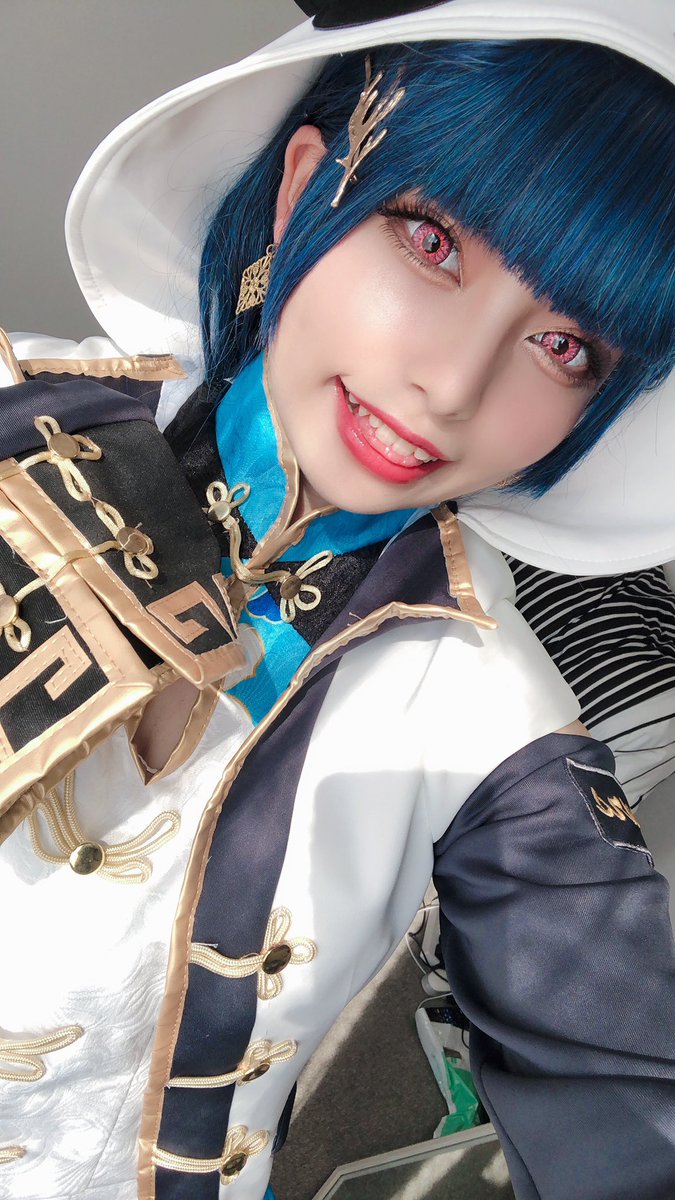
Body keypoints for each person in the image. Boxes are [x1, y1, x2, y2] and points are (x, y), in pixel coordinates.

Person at [0, 2, 674, 1199]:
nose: (451, 385)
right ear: (304, 186)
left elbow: (634, 1110)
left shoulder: (494, 727)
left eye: (568, 346)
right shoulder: (15, 414)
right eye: (433, 242)